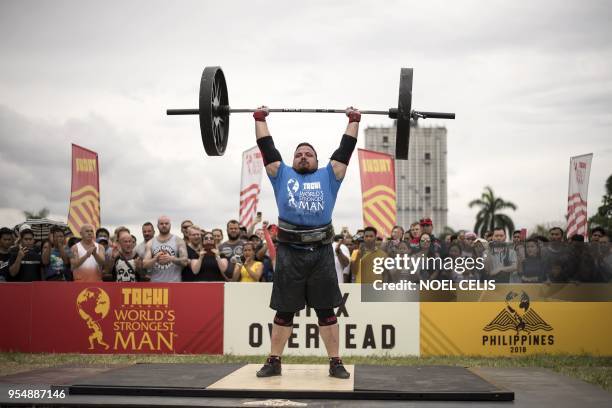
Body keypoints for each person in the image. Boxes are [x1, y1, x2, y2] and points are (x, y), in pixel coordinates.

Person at [252, 105, 359, 379]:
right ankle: (274, 360)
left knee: (326, 310)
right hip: (290, 253)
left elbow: (345, 149)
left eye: (308, 154)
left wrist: (354, 120)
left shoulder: (329, 175)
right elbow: (267, 147)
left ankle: (335, 362)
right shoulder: (281, 174)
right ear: (292, 159)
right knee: (284, 311)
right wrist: (260, 119)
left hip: (321, 253)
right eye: (298, 154)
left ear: (316, 159)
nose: (303, 157)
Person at [143, 216, 189, 282]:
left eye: (166, 223)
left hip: (174, 283)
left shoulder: (179, 241)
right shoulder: (150, 243)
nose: (164, 226)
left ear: (170, 225)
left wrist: (171, 258)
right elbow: (145, 264)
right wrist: (155, 259)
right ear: (157, 226)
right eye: (161, 224)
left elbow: (185, 262)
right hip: (156, 284)